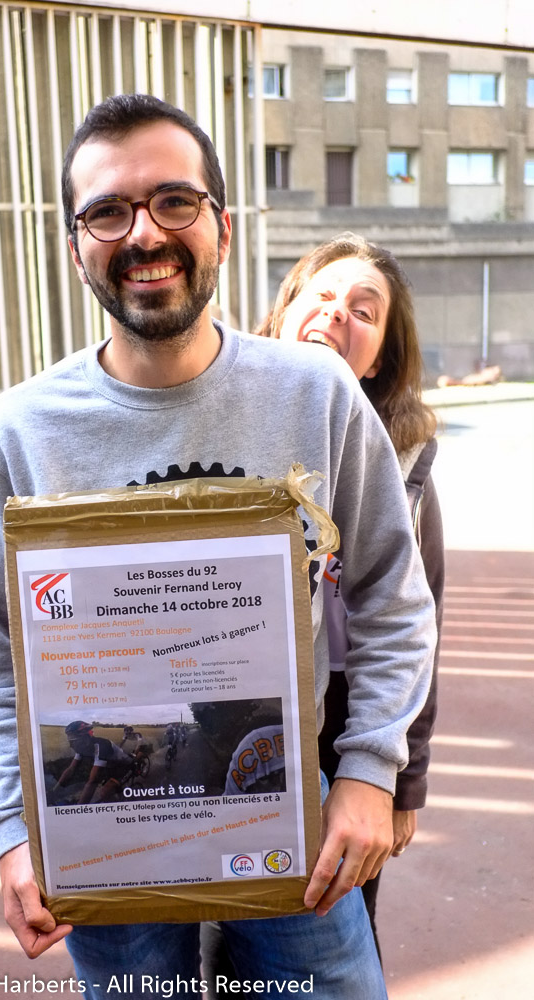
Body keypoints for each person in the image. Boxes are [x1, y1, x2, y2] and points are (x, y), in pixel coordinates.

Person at [0, 94, 436, 998]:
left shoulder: (316, 393)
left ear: (221, 225)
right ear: (75, 246)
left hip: (289, 812)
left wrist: (371, 771)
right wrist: (14, 827)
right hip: (98, 834)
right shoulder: (21, 431)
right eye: (107, 211)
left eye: (174, 201)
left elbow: (392, 596)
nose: (144, 232)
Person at [258, 232, 444, 957]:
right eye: (324, 295)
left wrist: (401, 779)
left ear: (380, 361)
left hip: (347, 723)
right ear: (284, 314)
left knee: (334, 921)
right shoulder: (231, 426)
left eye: (364, 311)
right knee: (221, 929)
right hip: (244, 715)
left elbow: (415, 623)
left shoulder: (405, 468)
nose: (339, 313)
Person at [52, 721, 134, 804]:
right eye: (70, 741)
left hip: (124, 766)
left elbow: (92, 781)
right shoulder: (83, 747)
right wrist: (54, 789)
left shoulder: (102, 746)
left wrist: (80, 807)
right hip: (110, 766)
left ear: (85, 738)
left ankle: (120, 806)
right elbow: (70, 769)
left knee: (105, 792)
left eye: (74, 741)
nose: (71, 745)